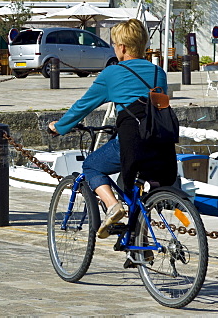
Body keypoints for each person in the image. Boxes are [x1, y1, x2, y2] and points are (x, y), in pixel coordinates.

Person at [47, 19, 171, 239]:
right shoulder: (158, 73)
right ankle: (141, 246)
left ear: (122, 47)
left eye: (114, 44)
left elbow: (83, 106)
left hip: (133, 141)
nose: (114, 48)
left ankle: (113, 206)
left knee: (91, 165)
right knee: (138, 192)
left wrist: (59, 127)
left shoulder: (113, 73)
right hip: (161, 143)